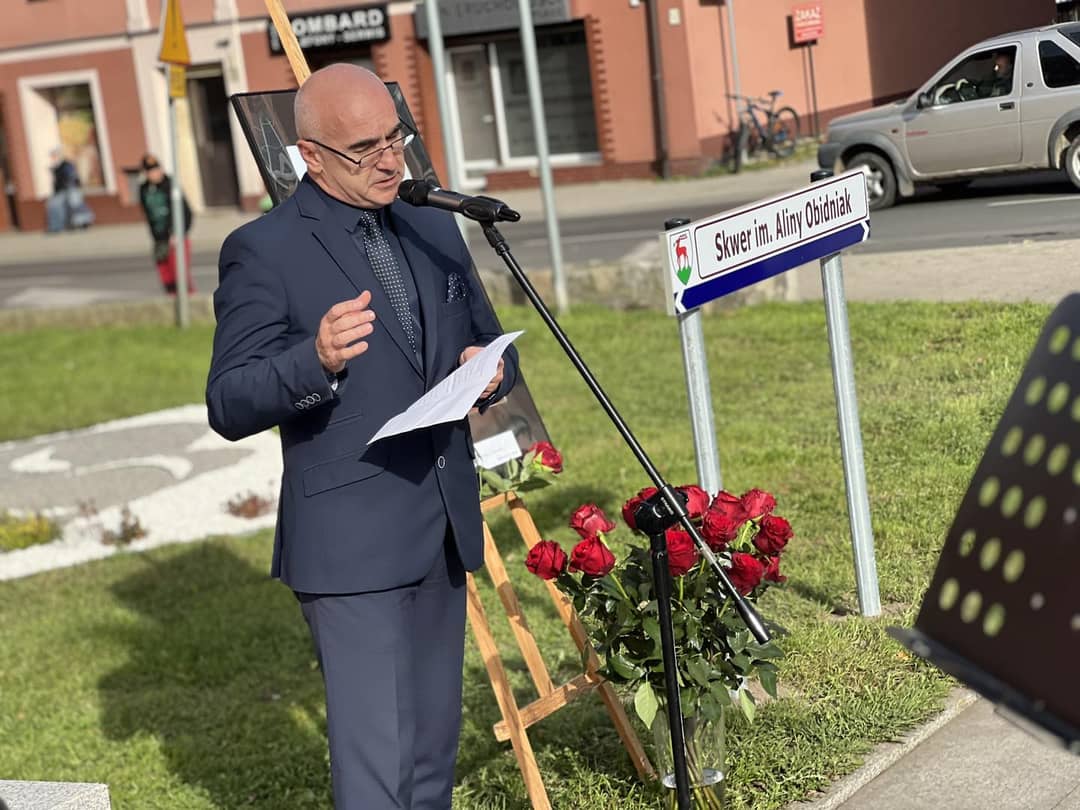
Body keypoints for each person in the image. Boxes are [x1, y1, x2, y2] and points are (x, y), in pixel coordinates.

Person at [205, 63, 518, 809]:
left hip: (442, 521)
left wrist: (489, 370)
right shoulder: (265, 248)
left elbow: (483, 337)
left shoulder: (431, 220)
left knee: (431, 758)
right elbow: (228, 400)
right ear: (312, 157)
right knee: (378, 771)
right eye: (364, 149)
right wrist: (311, 360)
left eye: (395, 138)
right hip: (350, 543)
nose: (390, 160)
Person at [138, 154, 194, 295]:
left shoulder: (171, 186)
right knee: (166, 277)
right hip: (160, 239)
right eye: (150, 171)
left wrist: (178, 233)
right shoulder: (144, 189)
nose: (154, 173)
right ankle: (172, 302)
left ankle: (189, 302)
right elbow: (148, 214)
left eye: (156, 169)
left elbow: (186, 213)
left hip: (176, 238)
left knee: (180, 277)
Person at [45, 147, 93, 232]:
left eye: (54, 155)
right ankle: (56, 227)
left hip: (71, 188)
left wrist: (70, 184)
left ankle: (83, 222)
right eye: (52, 155)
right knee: (54, 206)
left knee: (75, 204)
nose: (53, 157)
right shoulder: (56, 166)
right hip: (60, 190)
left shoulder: (66, 165)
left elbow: (71, 176)